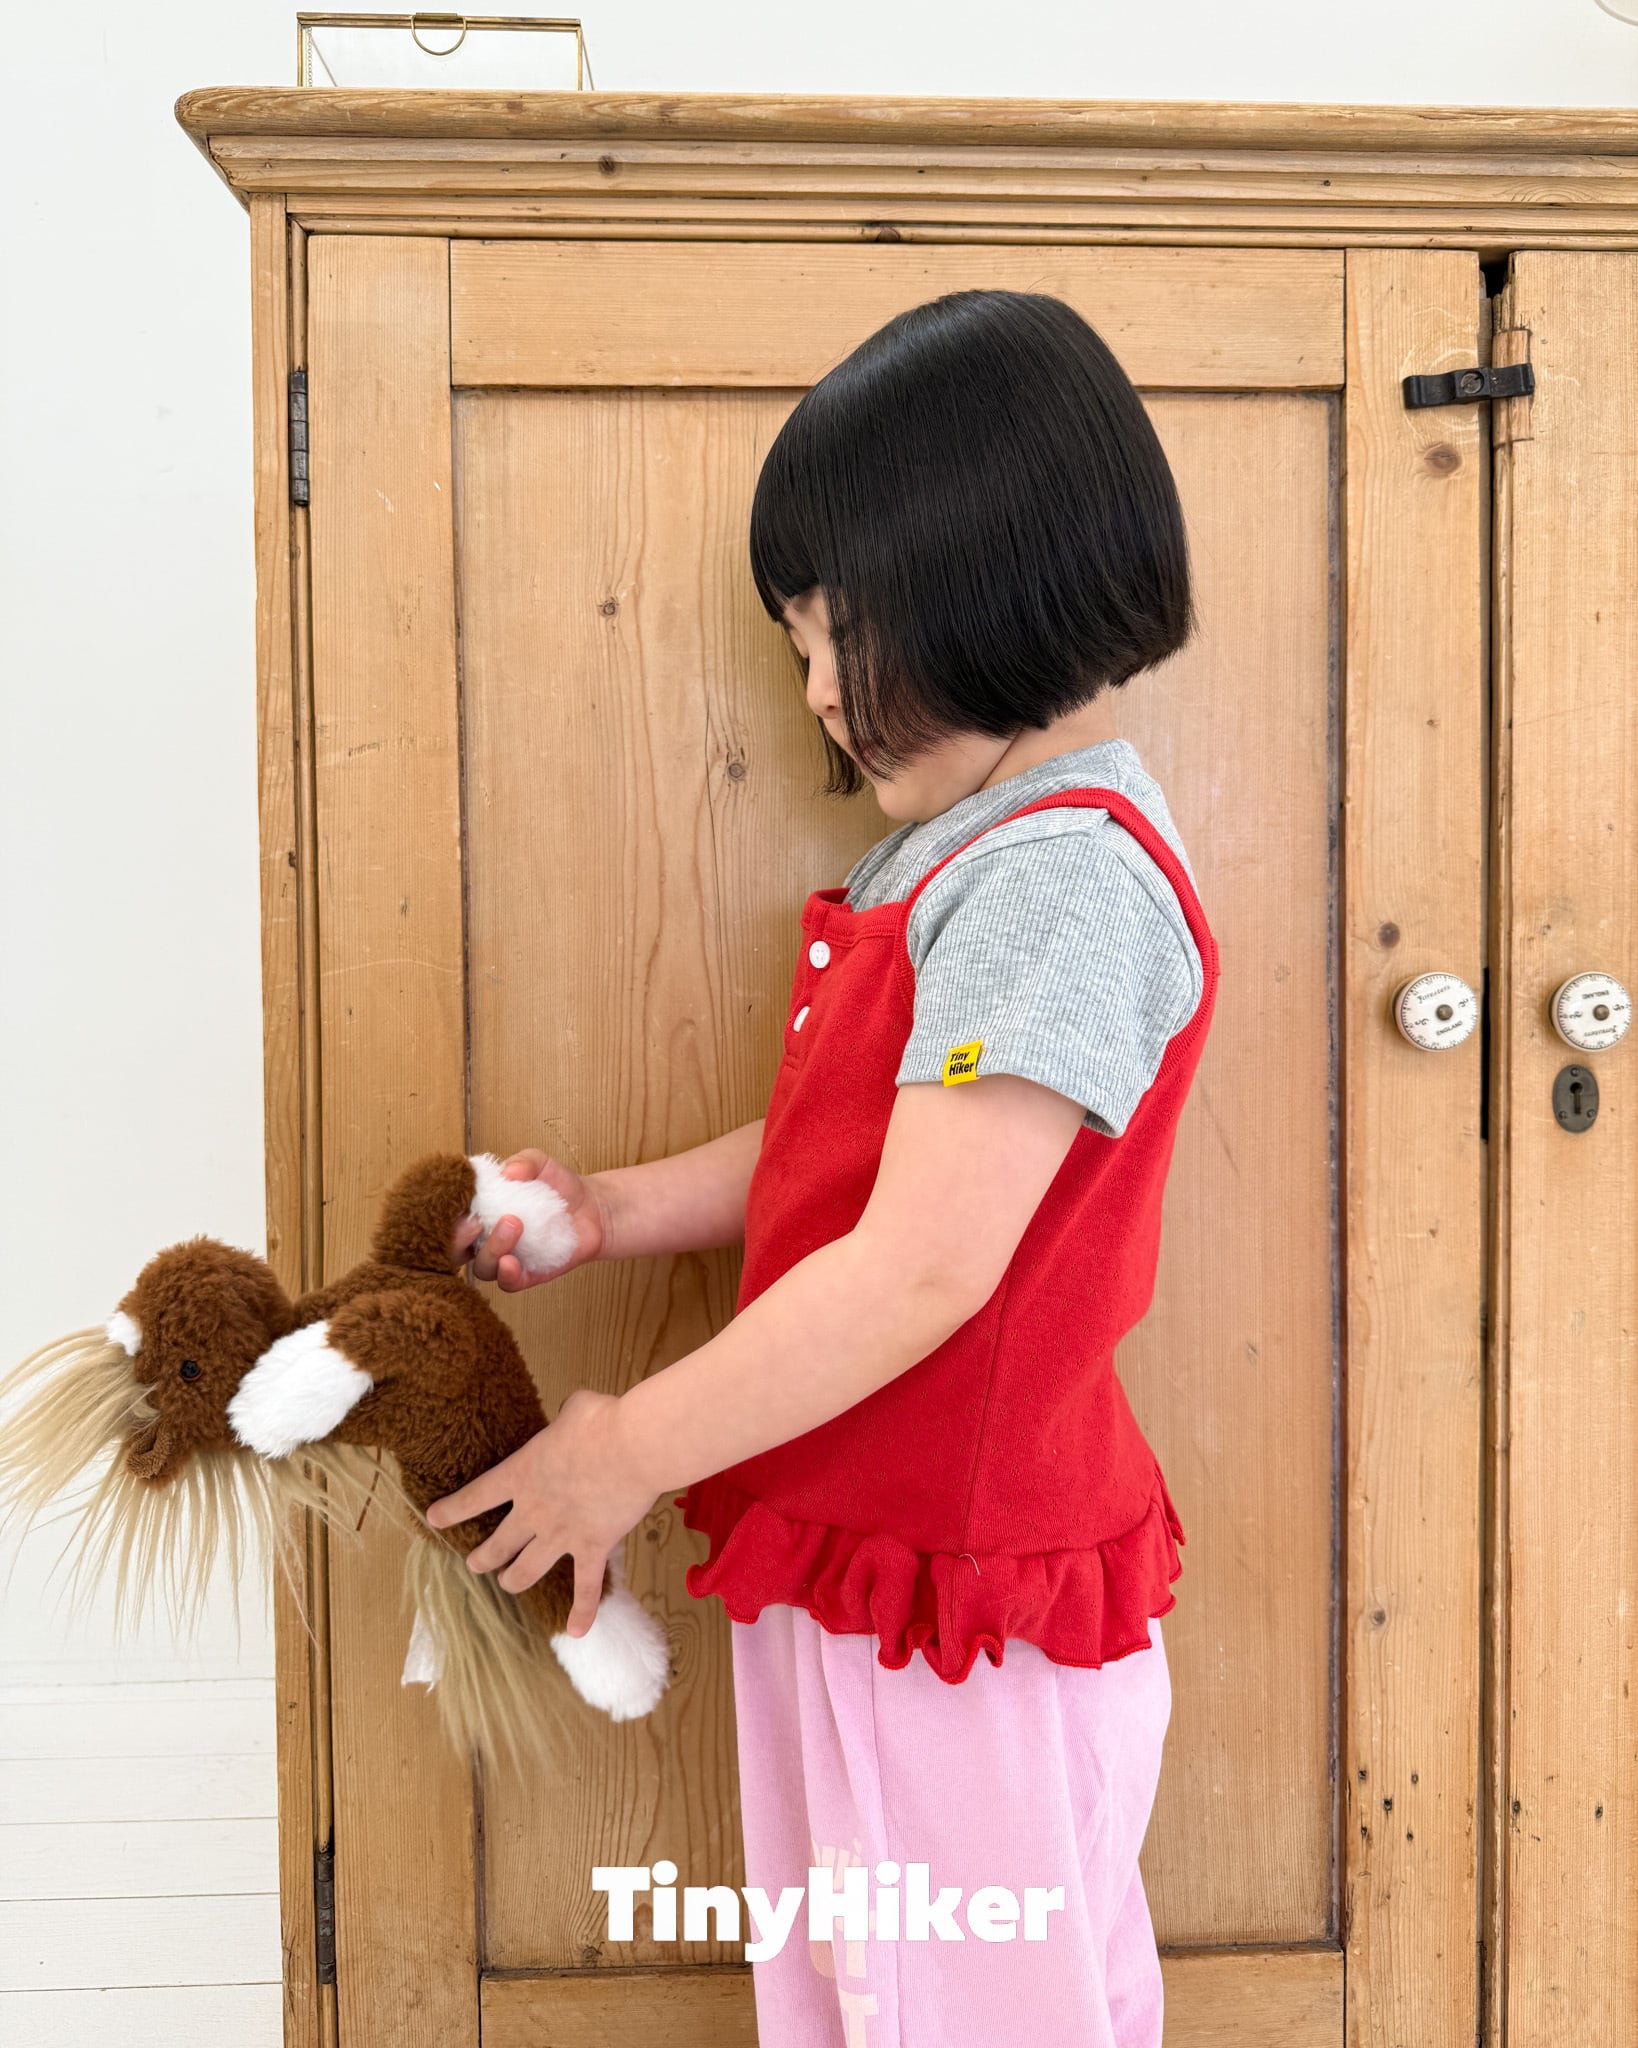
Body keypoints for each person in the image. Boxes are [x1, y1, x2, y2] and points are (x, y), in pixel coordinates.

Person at [426, 288, 1220, 2048]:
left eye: (834, 637)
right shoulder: (962, 855)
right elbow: (846, 1154)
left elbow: (923, 1262)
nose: (814, 693)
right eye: (795, 647)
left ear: (984, 583)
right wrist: (619, 1210)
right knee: (879, 1990)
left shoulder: (1053, 879)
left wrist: (622, 1450)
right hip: (869, 1550)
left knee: (969, 2003)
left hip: (955, 1590)